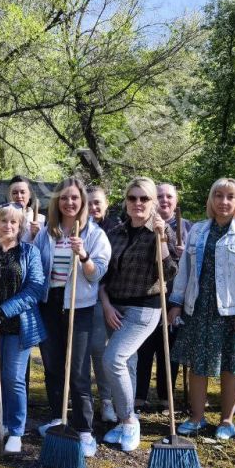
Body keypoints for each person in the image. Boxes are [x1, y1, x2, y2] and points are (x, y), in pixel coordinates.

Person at [168, 178, 235, 440]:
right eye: (218, 196)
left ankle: (226, 420)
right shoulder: (198, 230)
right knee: (198, 364)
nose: (224, 201)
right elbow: (184, 271)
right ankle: (197, 418)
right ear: (211, 200)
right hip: (197, 307)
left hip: (230, 311)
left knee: (230, 366)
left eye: (230, 197)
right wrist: (176, 304)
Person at [99, 177, 177, 453]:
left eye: (144, 198)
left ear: (154, 202)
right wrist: (106, 306)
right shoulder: (116, 233)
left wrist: (163, 239)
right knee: (127, 365)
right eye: (132, 198)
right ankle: (123, 419)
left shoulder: (161, 231)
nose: (137, 204)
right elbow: (104, 278)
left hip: (144, 309)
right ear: (126, 202)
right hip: (114, 308)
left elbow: (169, 274)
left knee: (113, 360)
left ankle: (131, 421)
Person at [34, 178, 111, 457]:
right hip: (49, 304)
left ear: (83, 203)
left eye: (75, 198)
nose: (69, 203)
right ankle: (58, 418)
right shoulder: (47, 233)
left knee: (77, 370)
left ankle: (84, 429)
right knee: (53, 365)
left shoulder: (94, 234)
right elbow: (37, 266)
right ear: (57, 202)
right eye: (64, 198)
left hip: (79, 306)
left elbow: (97, 273)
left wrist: (83, 255)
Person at [0, 204, 47, 454]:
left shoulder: (29, 253)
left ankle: (16, 430)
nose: (8, 226)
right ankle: (1, 421)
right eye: (4, 221)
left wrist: (4, 309)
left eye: (14, 223)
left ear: (20, 226)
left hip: (18, 326)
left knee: (13, 379)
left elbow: (35, 287)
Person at [134, 182, 191, 411]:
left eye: (169, 196)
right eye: (160, 196)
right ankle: (139, 394)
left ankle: (166, 394)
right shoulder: (143, 224)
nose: (165, 200)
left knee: (170, 348)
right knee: (144, 347)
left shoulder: (189, 228)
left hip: (177, 296)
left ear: (175, 201)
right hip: (148, 294)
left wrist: (186, 254)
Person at [86, 184, 118, 425]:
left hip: (114, 298)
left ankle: (108, 400)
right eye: (88, 203)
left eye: (97, 202)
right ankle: (86, 399)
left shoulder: (116, 228)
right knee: (90, 351)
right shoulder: (80, 229)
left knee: (107, 352)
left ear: (106, 203)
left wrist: (107, 300)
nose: (93, 207)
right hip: (88, 297)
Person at [8, 175, 45, 242]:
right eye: (15, 193)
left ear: (30, 194)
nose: (19, 196)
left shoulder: (42, 221)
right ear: (10, 195)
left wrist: (38, 236)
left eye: (22, 192)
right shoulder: (2, 219)